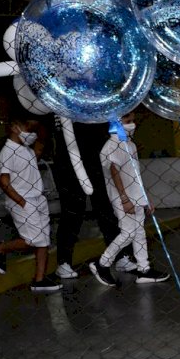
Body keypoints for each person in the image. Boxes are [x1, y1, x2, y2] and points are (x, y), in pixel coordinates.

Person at [89, 112, 170, 287]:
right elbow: (114, 172)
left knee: (139, 232)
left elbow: (135, 174)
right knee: (129, 232)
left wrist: (144, 196)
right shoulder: (113, 145)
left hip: (136, 195)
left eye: (133, 121)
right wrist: (125, 199)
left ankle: (144, 269)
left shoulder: (129, 144)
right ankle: (102, 263)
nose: (132, 124)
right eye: (128, 121)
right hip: (122, 197)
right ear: (116, 122)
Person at [51, 117, 135, 280]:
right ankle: (64, 262)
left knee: (106, 206)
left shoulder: (96, 102)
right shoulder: (60, 102)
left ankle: (119, 256)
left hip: (96, 154)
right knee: (72, 209)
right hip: (68, 157)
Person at [0, 116, 61, 292]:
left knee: (43, 240)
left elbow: (40, 147)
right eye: (27, 129)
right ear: (14, 127)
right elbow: (4, 182)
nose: (31, 134)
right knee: (32, 240)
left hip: (38, 199)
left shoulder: (25, 149)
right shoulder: (8, 151)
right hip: (23, 200)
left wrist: (40, 128)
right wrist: (22, 202)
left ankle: (39, 280)